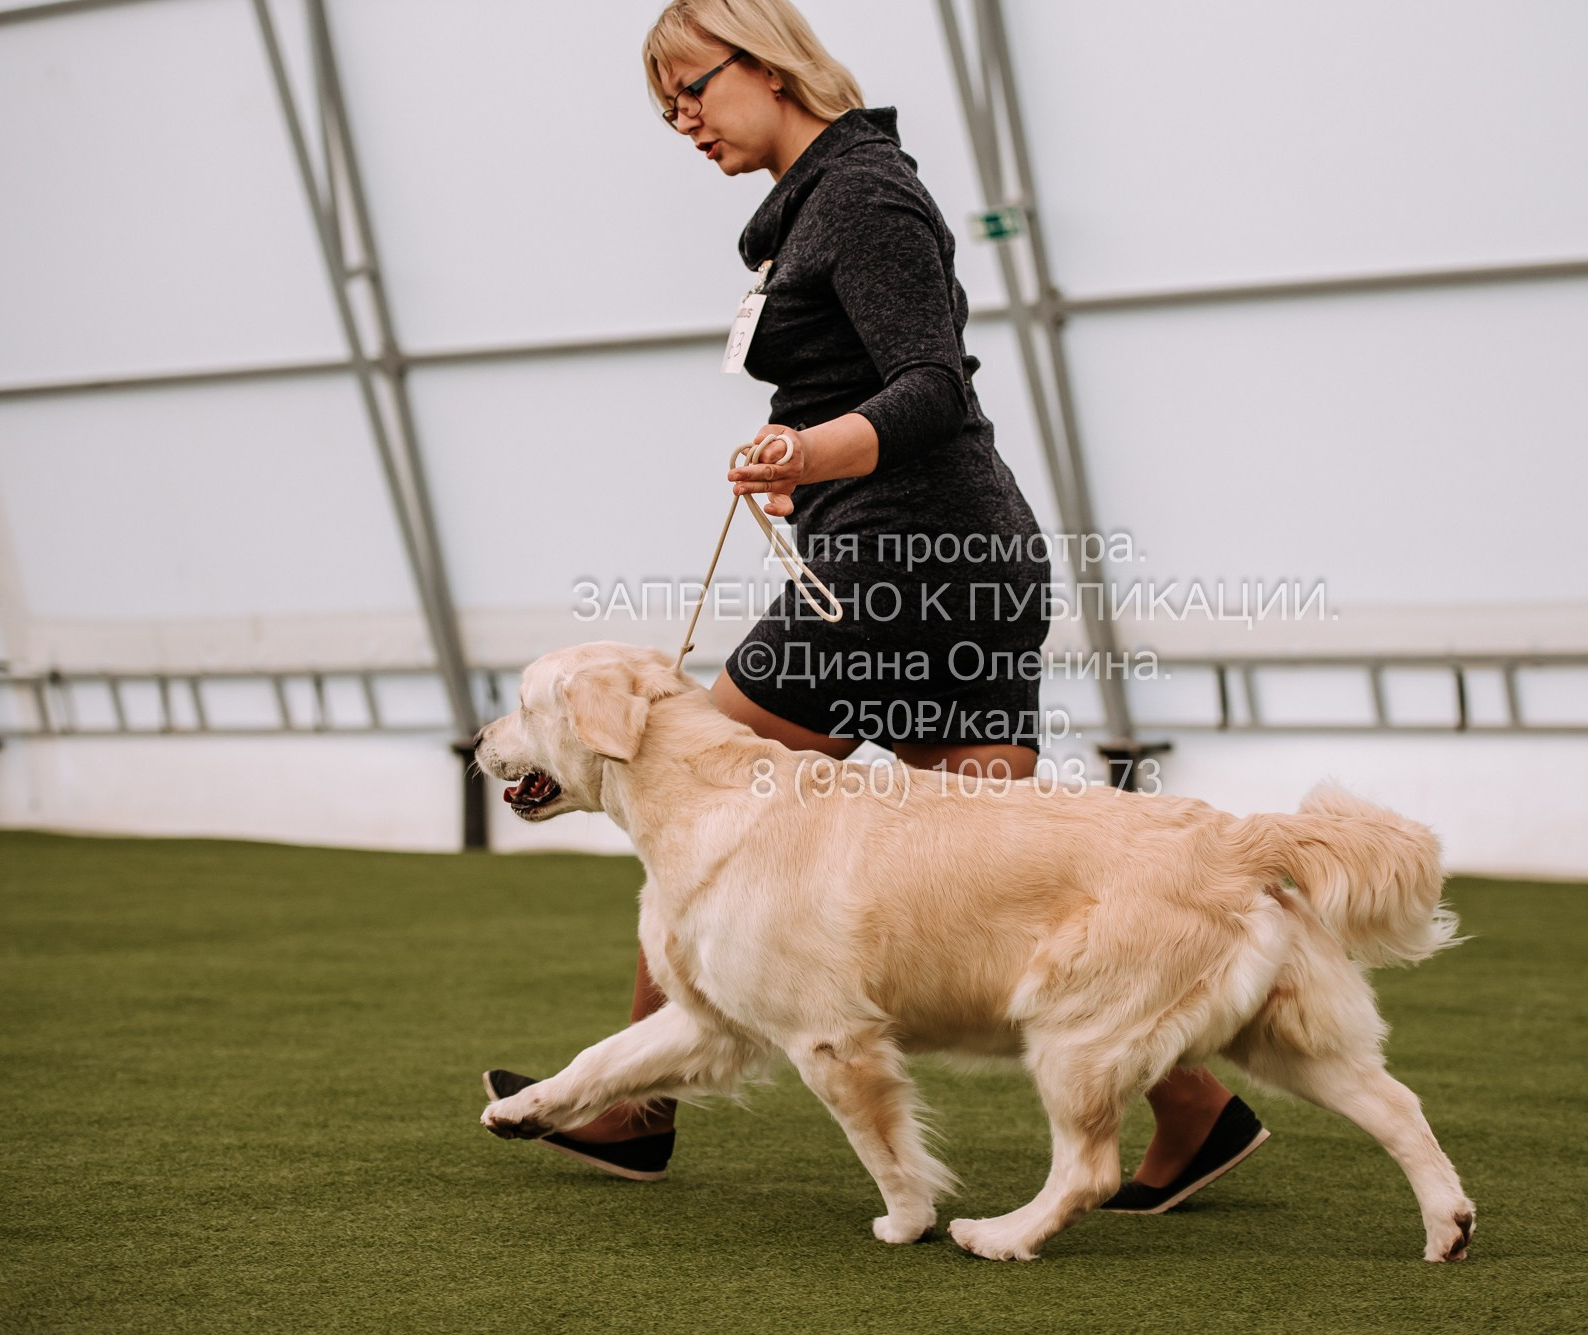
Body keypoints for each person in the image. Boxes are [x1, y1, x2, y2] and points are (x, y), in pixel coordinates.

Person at [485, 0, 1269, 1215]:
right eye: (665, 107)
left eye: (692, 88)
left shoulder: (858, 196)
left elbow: (933, 388)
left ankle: (634, 1106)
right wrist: (818, 462)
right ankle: (1197, 1114)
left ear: (770, 62)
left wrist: (812, 454)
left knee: (692, 798)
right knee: (998, 881)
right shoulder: (824, 200)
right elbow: (887, 396)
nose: (681, 120)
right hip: (946, 559)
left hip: (904, 573)